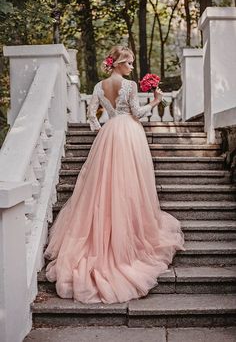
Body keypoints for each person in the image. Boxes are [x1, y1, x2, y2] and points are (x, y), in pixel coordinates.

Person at [44, 45, 185, 304]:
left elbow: (91, 116)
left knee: (104, 188)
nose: (132, 66)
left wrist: (101, 131)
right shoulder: (129, 86)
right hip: (129, 134)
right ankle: (127, 240)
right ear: (118, 63)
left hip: (109, 134)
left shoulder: (99, 86)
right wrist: (154, 100)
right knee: (129, 186)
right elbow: (136, 114)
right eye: (129, 62)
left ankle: (109, 234)